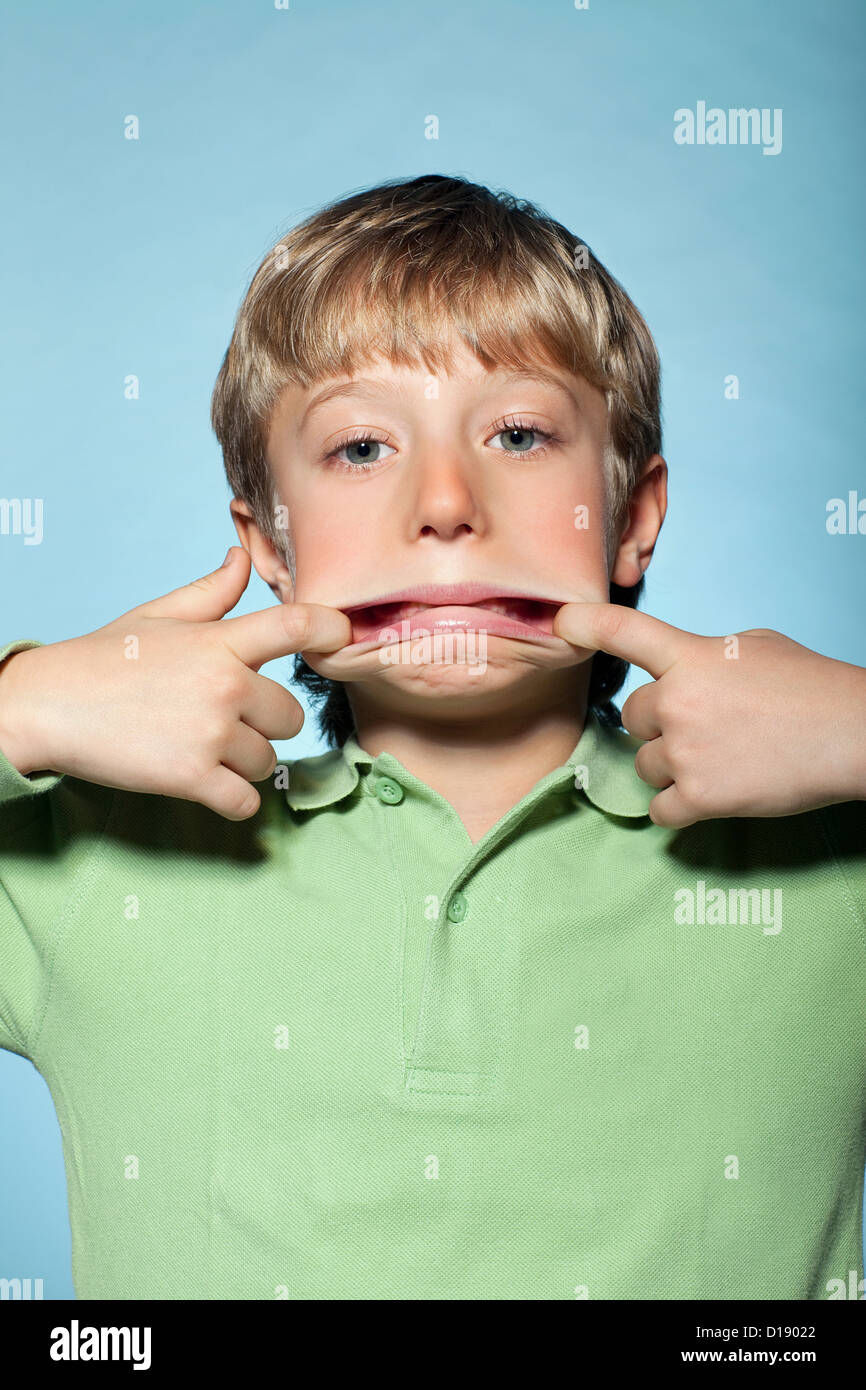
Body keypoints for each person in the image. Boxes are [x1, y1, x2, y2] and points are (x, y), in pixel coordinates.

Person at [1, 174, 864, 1300]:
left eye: (516, 432)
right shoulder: (82, 860)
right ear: (269, 540)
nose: (445, 500)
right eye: (360, 447)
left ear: (631, 518)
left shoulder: (828, 854)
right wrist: (26, 704)